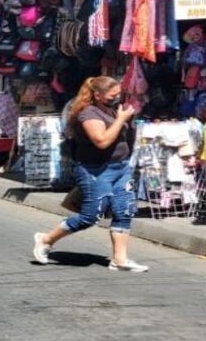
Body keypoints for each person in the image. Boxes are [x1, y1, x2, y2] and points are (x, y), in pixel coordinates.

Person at [33, 76, 148, 273]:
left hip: (120, 168)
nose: (118, 98)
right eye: (113, 95)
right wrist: (121, 120)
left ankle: (119, 259)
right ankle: (46, 239)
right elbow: (101, 141)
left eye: (119, 94)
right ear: (98, 95)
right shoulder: (88, 114)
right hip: (95, 170)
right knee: (90, 216)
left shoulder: (112, 110)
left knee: (124, 210)